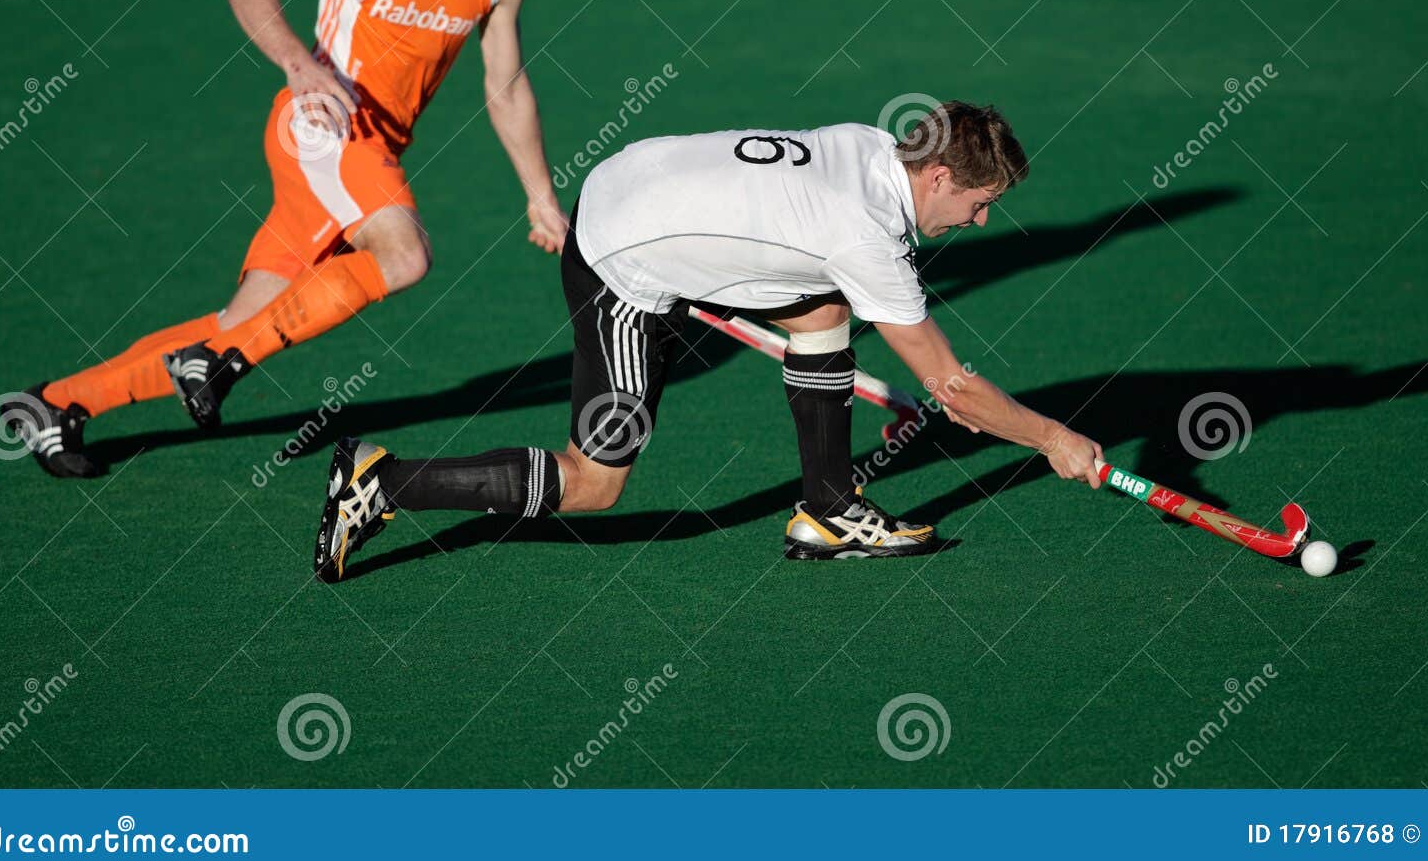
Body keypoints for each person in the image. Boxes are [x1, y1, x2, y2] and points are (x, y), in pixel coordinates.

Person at [3, 0, 568, 477]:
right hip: (323, 131)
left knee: (245, 316)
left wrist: (540, 194)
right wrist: (299, 65)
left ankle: (54, 404)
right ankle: (221, 364)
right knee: (406, 253)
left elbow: (504, 86)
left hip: (369, 153)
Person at [312, 101, 1105, 580]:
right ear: (938, 177)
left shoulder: (873, 145)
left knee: (823, 309)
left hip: (635, 179)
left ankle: (828, 510)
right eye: (978, 201)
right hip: (623, 264)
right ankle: (382, 481)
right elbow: (952, 388)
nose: (980, 221)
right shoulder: (868, 237)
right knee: (596, 480)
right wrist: (1051, 438)